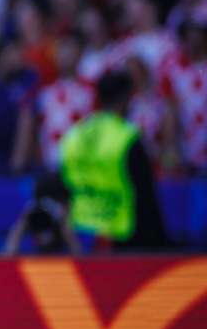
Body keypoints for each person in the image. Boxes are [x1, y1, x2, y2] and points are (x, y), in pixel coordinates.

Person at [59, 70, 169, 252]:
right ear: (125, 99)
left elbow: (64, 186)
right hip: (122, 236)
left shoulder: (74, 134)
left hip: (81, 234)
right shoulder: (127, 137)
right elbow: (146, 197)